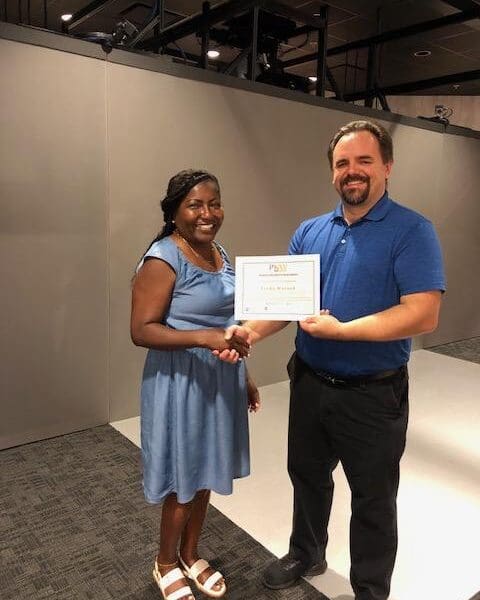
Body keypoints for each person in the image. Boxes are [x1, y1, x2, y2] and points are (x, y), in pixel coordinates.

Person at [221, 120, 445, 600]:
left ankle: (369, 589)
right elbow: (285, 305)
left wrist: (345, 331)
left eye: (364, 160)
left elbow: (423, 312)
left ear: (386, 166)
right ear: (332, 174)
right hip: (309, 382)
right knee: (306, 474)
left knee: (374, 498)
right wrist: (249, 332)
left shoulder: (412, 230)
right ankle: (307, 551)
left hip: (374, 393)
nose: (353, 171)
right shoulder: (309, 232)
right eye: (343, 163)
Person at [131, 169, 259, 600]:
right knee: (183, 479)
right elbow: (142, 330)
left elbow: (228, 322)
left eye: (214, 203)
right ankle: (165, 561)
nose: (207, 213)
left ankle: (190, 553)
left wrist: (247, 376)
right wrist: (204, 338)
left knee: (206, 473)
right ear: (174, 212)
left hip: (220, 379)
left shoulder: (220, 252)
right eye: (195, 205)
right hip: (179, 383)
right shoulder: (163, 258)